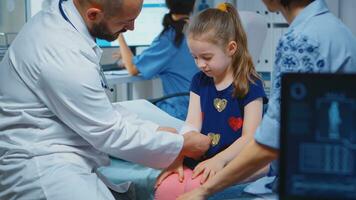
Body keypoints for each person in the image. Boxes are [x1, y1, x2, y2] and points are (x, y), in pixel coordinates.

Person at [0, 0, 212, 199]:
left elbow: (103, 111)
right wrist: (179, 144)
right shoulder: (61, 51)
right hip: (42, 165)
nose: (132, 28)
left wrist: (156, 133)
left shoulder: (67, 22)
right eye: (126, 21)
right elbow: (108, 131)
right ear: (94, 14)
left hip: (70, 147)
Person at [177, 0, 356, 199]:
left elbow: (271, 138)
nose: (201, 64)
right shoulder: (337, 30)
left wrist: (205, 190)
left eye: (207, 57)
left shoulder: (301, 40)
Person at [154, 3, 269, 199]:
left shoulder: (250, 83)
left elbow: (249, 137)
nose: (200, 65)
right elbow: (192, 124)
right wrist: (179, 154)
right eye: (195, 57)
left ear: (231, 48)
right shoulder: (199, 81)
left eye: (206, 57)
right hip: (204, 156)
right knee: (167, 187)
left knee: (198, 185)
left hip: (234, 160)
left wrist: (220, 161)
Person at [116, 0, 199, 120]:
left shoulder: (170, 38)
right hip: (199, 109)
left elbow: (132, 68)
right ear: (194, 4)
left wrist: (118, 32)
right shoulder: (198, 31)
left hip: (180, 112)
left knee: (127, 111)